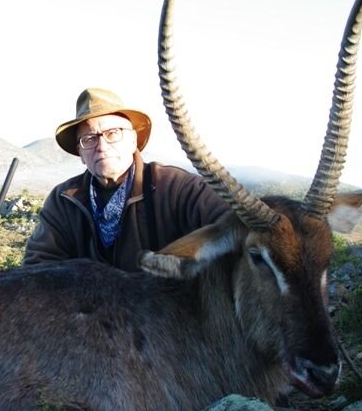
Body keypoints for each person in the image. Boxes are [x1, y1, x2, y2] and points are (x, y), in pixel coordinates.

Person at [24, 87, 229, 272]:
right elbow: (37, 267)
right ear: (80, 153)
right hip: (86, 310)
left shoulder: (178, 188)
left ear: (133, 141)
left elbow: (234, 227)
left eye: (112, 133)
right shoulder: (64, 200)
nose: (102, 146)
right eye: (89, 139)